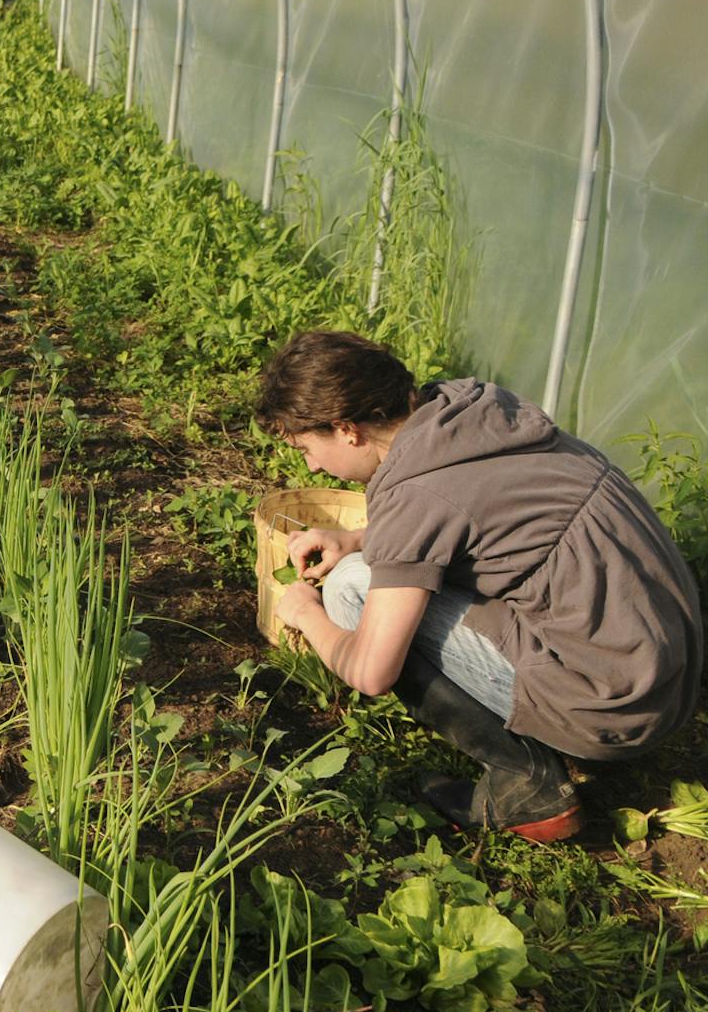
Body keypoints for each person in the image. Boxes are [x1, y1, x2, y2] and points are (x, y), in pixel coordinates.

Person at [257, 329, 701, 842]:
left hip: (612, 709)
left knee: (349, 590)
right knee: (367, 566)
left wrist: (305, 613)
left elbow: (371, 672)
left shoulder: (414, 494)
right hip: (664, 676)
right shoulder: (472, 415)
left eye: (307, 447)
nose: (311, 465)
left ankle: (526, 782)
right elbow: (471, 515)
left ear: (347, 429)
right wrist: (358, 537)